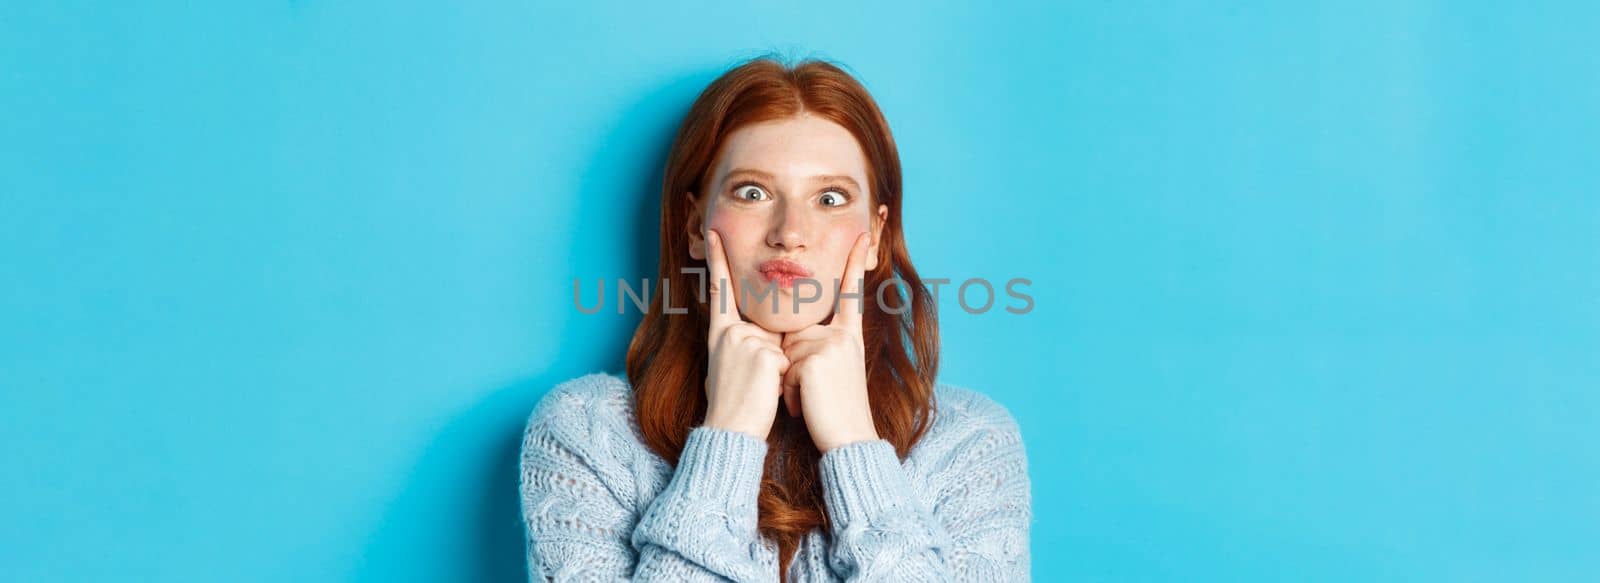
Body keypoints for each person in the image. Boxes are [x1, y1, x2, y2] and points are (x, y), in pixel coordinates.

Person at [520, 54, 1031, 582]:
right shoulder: (585, 431)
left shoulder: (969, 443)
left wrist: (855, 445)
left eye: (830, 198)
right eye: (753, 192)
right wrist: (727, 435)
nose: (790, 231)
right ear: (695, 225)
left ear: (875, 235)